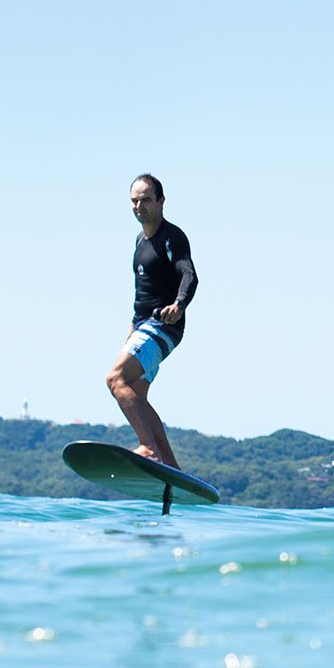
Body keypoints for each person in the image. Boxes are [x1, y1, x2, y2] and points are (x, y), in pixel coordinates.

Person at [106, 174, 198, 468]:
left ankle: (147, 447)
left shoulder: (171, 237)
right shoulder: (139, 241)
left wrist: (179, 304)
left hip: (163, 326)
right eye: (134, 201)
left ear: (161, 202)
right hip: (143, 326)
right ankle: (170, 467)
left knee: (116, 379)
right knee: (136, 395)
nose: (139, 206)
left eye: (145, 200)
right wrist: (132, 327)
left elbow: (189, 274)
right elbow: (143, 292)